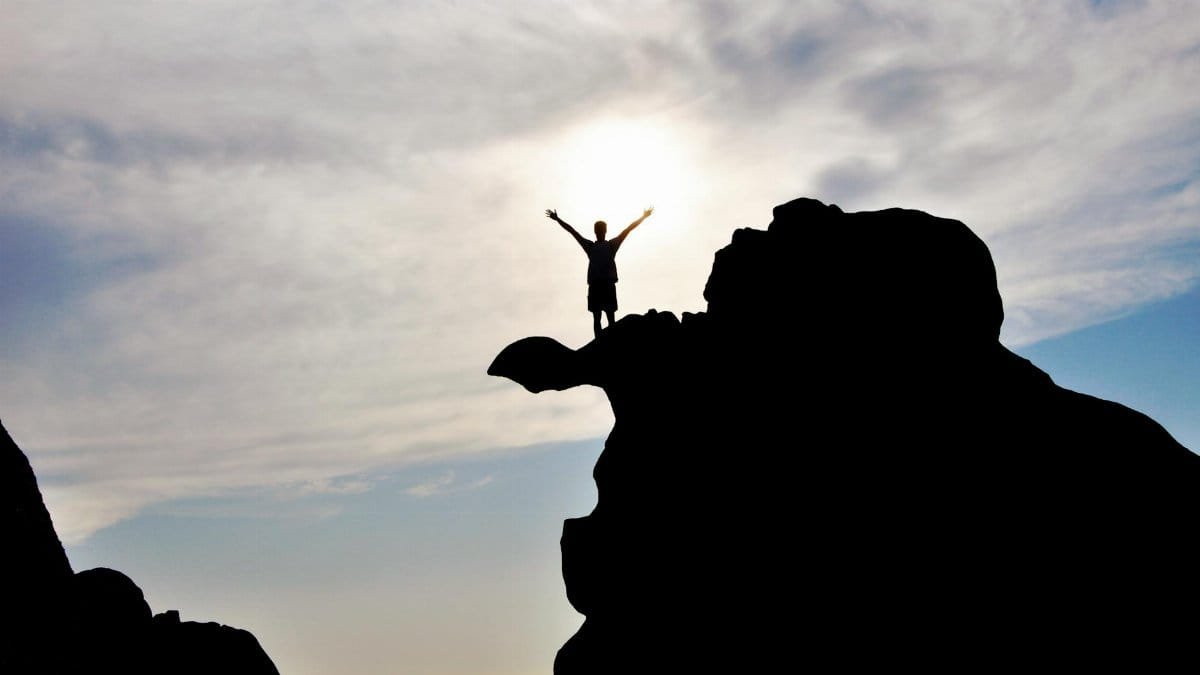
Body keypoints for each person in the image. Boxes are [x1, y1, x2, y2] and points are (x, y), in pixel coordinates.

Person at [546, 206, 654, 337]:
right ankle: (599, 342)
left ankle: (607, 342)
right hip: (597, 286)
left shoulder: (609, 245)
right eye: (599, 230)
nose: (600, 232)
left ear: (604, 231)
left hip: (605, 285)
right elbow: (573, 232)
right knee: (598, 318)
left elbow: (628, 230)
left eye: (601, 230)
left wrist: (643, 217)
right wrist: (558, 219)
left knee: (609, 319)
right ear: (596, 231)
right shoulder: (593, 246)